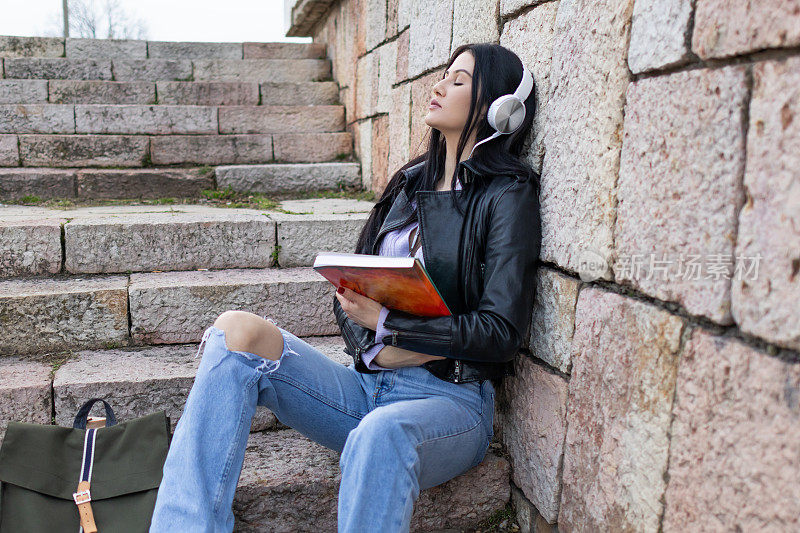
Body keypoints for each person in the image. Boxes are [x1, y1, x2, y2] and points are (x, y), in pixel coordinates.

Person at [149, 42, 542, 533]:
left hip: (453, 404)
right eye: (444, 75)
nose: (438, 86)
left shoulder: (508, 194)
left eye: (459, 81)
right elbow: (352, 289)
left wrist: (391, 328)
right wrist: (374, 343)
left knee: (381, 433)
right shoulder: (407, 185)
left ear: (498, 109)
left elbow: (500, 331)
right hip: (365, 387)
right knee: (236, 333)